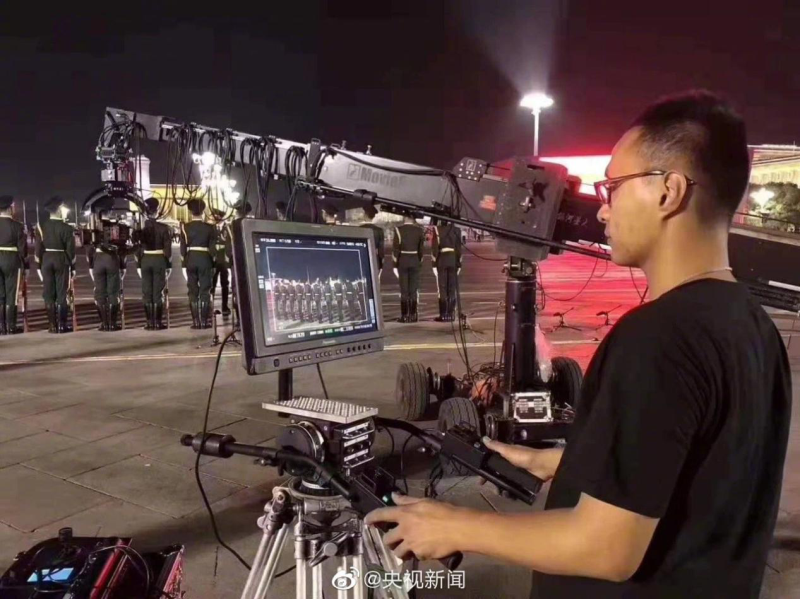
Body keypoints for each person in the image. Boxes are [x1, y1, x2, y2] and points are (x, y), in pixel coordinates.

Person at [366, 91, 791, 599]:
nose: (603, 210)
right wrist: (570, 464)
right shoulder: (754, 326)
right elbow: (701, 477)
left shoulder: (659, 337)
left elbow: (605, 548)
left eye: (612, 187)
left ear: (669, 191)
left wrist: (455, 526)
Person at [35, 196, 76, 333]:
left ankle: (52, 325)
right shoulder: (67, 228)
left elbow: (38, 248)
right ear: (58, 210)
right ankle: (62, 325)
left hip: (46, 259)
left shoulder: (41, 226)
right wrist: (72, 266)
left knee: (48, 293)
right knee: (62, 293)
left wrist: (38, 265)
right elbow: (71, 251)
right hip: (61, 259)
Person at [87, 200, 128, 331]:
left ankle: (104, 323)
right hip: (112, 259)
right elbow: (122, 249)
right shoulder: (116, 227)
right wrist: (123, 266)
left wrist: (91, 265)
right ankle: (112, 323)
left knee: (100, 293)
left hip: (98, 260)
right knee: (113, 292)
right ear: (109, 213)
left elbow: (89, 248)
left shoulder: (93, 228)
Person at [136, 198, 172, 330]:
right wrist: (168, 265)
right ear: (156, 211)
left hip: (145, 259)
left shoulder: (141, 228)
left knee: (147, 292)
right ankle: (157, 322)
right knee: (158, 292)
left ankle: (149, 322)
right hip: (159, 259)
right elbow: (168, 251)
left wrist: (138, 264)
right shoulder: (164, 228)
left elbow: (137, 249)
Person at [180, 199, 216, 329]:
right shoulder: (210, 228)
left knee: (192, 290)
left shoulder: (185, 227)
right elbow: (213, 250)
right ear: (203, 211)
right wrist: (213, 262)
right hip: (205, 259)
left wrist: (184, 262)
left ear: (190, 211)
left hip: (191, 259)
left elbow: (182, 249)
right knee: (205, 290)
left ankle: (195, 321)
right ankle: (205, 321)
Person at [0, 195, 27, 335]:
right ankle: (11, 326)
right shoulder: (17, 226)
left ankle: (1, 327)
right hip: (11, 260)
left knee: (0, 295)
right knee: (12, 294)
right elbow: (23, 250)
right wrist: (25, 265)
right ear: (10, 208)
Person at [392, 214, 425, 322]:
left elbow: (396, 249)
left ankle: (405, 315)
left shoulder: (398, 230)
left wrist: (394, 264)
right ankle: (413, 315)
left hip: (403, 261)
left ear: (405, 217)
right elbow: (421, 250)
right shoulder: (419, 230)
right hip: (415, 261)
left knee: (404, 290)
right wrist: (419, 261)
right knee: (413, 290)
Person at [431, 220, 462, 322]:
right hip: (453, 260)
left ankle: (443, 314)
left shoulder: (437, 230)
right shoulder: (457, 230)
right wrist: (459, 264)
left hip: (442, 260)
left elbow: (435, 248)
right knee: (452, 288)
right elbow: (459, 249)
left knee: (442, 288)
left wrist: (434, 264)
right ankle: (451, 314)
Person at [211, 210, 233, 317]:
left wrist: (228, 257)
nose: (215, 218)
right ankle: (211, 307)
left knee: (225, 284)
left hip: (224, 257)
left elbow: (230, 242)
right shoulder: (211, 228)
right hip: (214, 258)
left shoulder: (227, 227)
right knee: (212, 283)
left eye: (217, 216)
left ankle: (224, 306)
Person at [359, 206, 385, 277]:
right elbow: (381, 250)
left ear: (365, 215)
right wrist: (381, 264)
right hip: (374, 258)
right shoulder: (379, 230)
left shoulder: (359, 229)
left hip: (361, 257)